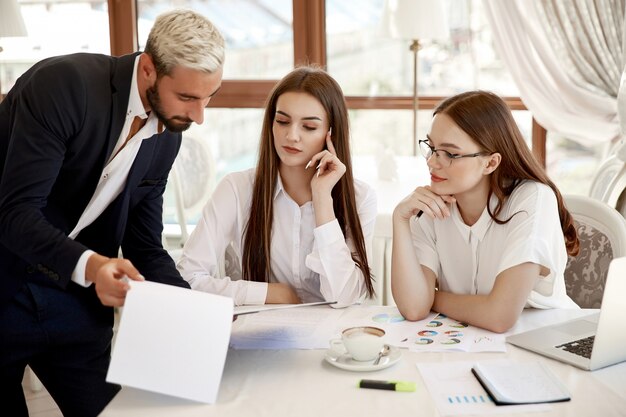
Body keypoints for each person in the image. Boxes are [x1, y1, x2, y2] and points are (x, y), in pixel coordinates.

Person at [0, 9, 224, 416]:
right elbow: (15, 214)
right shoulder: (65, 86)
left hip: (72, 302)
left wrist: (199, 319)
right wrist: (93, 266)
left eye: (209, 98)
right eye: (188, 97)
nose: (198, 116)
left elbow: (145, 247)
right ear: (150, 70)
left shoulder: (166, 139)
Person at [177, 66, 376, 307]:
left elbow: (343, 297)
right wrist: (270, 294)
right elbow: (187, 278)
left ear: (331, 133)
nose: (291, 135)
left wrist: (323, 199)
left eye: (309, 127)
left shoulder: (361, 197)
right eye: (282, 121)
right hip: (261, 335)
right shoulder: (236, 189)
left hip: (333, 338)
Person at [391, 90, 579, 333]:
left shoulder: (533, 199)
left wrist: (433, 298)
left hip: (550, 340)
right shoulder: (430, 208)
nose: (432, 162)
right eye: (432, 147)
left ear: (490, 162)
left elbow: (499, 316)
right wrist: (400, 218)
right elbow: (414, 309)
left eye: (450, 153)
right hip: (473, 344)